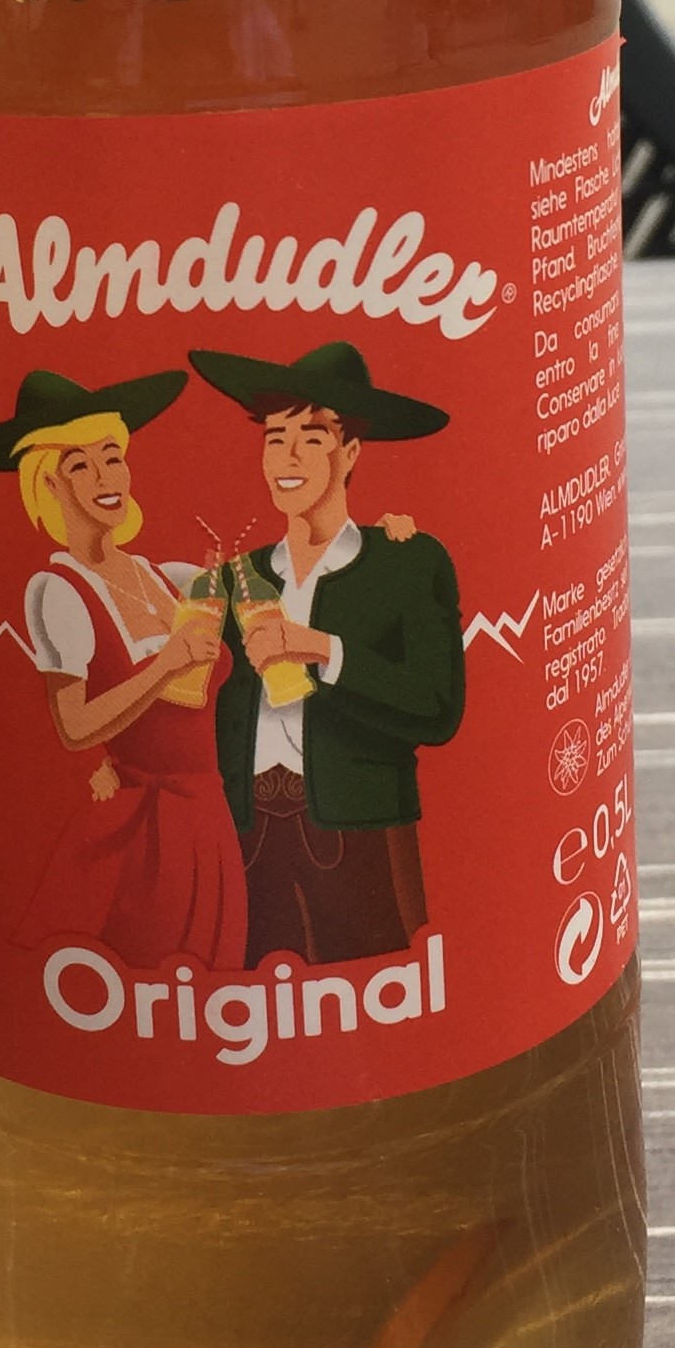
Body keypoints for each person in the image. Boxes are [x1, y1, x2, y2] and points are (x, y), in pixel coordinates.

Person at [0, 366, 246, 970]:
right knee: (151, 976)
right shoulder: (58, 591)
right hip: (142, 833)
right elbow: (74, 726)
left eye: (112, 458)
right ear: (48, 485)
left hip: (207, 817)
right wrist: (163, 668)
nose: (105, 478)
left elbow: (258, 584)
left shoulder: (167, 577)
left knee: (210, 974)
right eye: (79, 466)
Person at [187, 338, 465, 969]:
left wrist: (322, 650)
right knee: (248, 991)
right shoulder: (233, 579)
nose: (287, 457)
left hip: (360, 831)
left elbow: (437, 707)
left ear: (351, 452)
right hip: (248, 835)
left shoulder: (406, 563)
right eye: (274, 438)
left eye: (311, 438)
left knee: (381, 978)